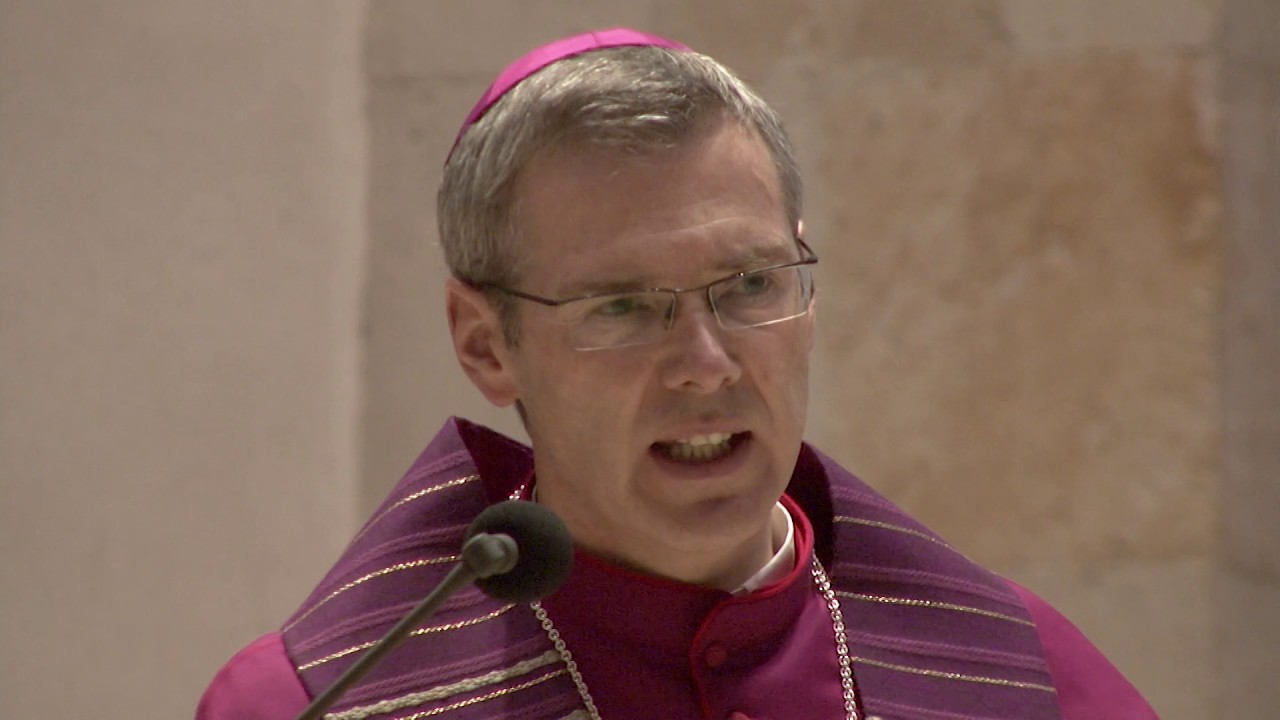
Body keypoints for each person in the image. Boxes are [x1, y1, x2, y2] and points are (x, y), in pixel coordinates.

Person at [197, 28, 1157, 720]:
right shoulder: (318, 703)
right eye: (621, 306)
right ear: (485, 344)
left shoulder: (1026, 682)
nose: (705, 365)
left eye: (748, 285)